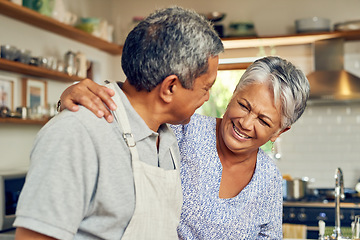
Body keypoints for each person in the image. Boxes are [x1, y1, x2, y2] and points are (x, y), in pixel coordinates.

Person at [14, 6, 224, 240]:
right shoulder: (77, 133)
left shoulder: (168, 136)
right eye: (206, 88)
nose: (206, 97)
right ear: (170, 87)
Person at [59, 56, 310, 239]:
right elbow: (125, 117)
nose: (245, 123)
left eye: (264, 121)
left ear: (279, 132)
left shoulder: (269, 178)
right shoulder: (181, 129)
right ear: (233, 94)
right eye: (244, 105)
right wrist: (73, 99)